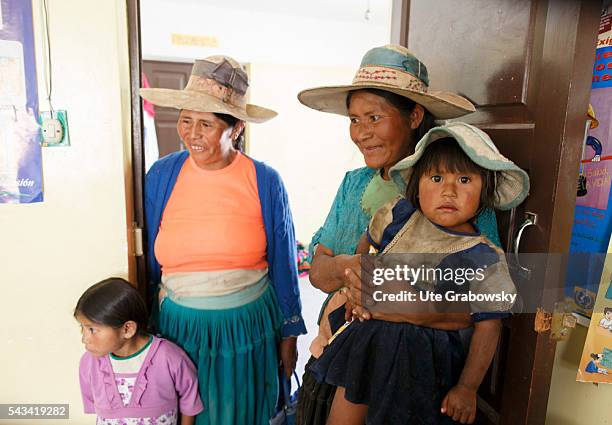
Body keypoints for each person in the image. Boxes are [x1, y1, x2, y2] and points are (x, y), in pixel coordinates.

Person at [295, 44, 501, 425]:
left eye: (373, 117)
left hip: (418, 372)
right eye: (354, 119)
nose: (362, 132)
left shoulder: (458, 198)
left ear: (414, 116)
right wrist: (356, 270)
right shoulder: (354, 185)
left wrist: (402, 302)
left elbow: (482, 306)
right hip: (343, 355)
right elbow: (320, 271)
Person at [313, 122, 530, 424]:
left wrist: (467, 388)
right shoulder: (397, 216)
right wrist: (355, 289)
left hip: (424, 365)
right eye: (437, 178)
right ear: (417, 184)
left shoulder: (485, 259)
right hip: (367, 345)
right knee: (345, 412)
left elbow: (488, 327)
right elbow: (363, 256)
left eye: (465, 179)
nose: (449, 191)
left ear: (485, 191)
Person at [139, 55, 306, 425]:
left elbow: (284, 262)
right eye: (186, 120)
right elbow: (148, 257)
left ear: (236, 129)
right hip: (179, 331)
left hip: (246, 329)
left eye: (206, 124)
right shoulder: (161, 176)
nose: (191, 133)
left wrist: (290, 332)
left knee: (243, 412)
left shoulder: (264, 180)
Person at [76, 278, 204, 425]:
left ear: (127, 329)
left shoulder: (168, 357)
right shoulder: (89, 363)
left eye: (92, 329)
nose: (84, 338)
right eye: (82, 327)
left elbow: (189, 400)